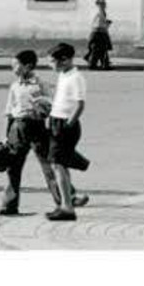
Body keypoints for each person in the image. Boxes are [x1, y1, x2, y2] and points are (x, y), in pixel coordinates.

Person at [0, 49, 61, 216]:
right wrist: (7, 135)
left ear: (27, 66)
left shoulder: (40, 84)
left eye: (16, 65)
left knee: (48, 165)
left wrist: (43, 108)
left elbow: (53, 103)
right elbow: (10, 111)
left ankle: (63, 201)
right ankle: (9, 205)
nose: (13, 68)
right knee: (13, 167)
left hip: (37, 127)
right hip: (18, 127)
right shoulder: (14, 86)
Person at [45, 42, 91, 221]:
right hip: (57, 121)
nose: (50, 65)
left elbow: (80, 104)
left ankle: (67, 208)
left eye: (52, 62)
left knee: (58, 165)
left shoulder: (76, 77)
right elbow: (59, 99)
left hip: (66, 125)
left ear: (64, 60)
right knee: (59, 164)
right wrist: (51, 116)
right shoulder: (63, 75)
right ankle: (66, 203)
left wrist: (68, 124)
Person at [86, 0, 113, 70]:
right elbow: (97, 24)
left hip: (101, 32)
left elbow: (100, 22)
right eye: (101, 3)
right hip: (97, 32)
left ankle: (104, 65)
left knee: (103, 49)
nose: (103, 5)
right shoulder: (97, 12)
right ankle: (92, 64)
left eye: (104, 3)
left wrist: (106, 24)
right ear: (97, 4)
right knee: (96, 49)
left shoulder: (102, 12)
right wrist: (106, 24)